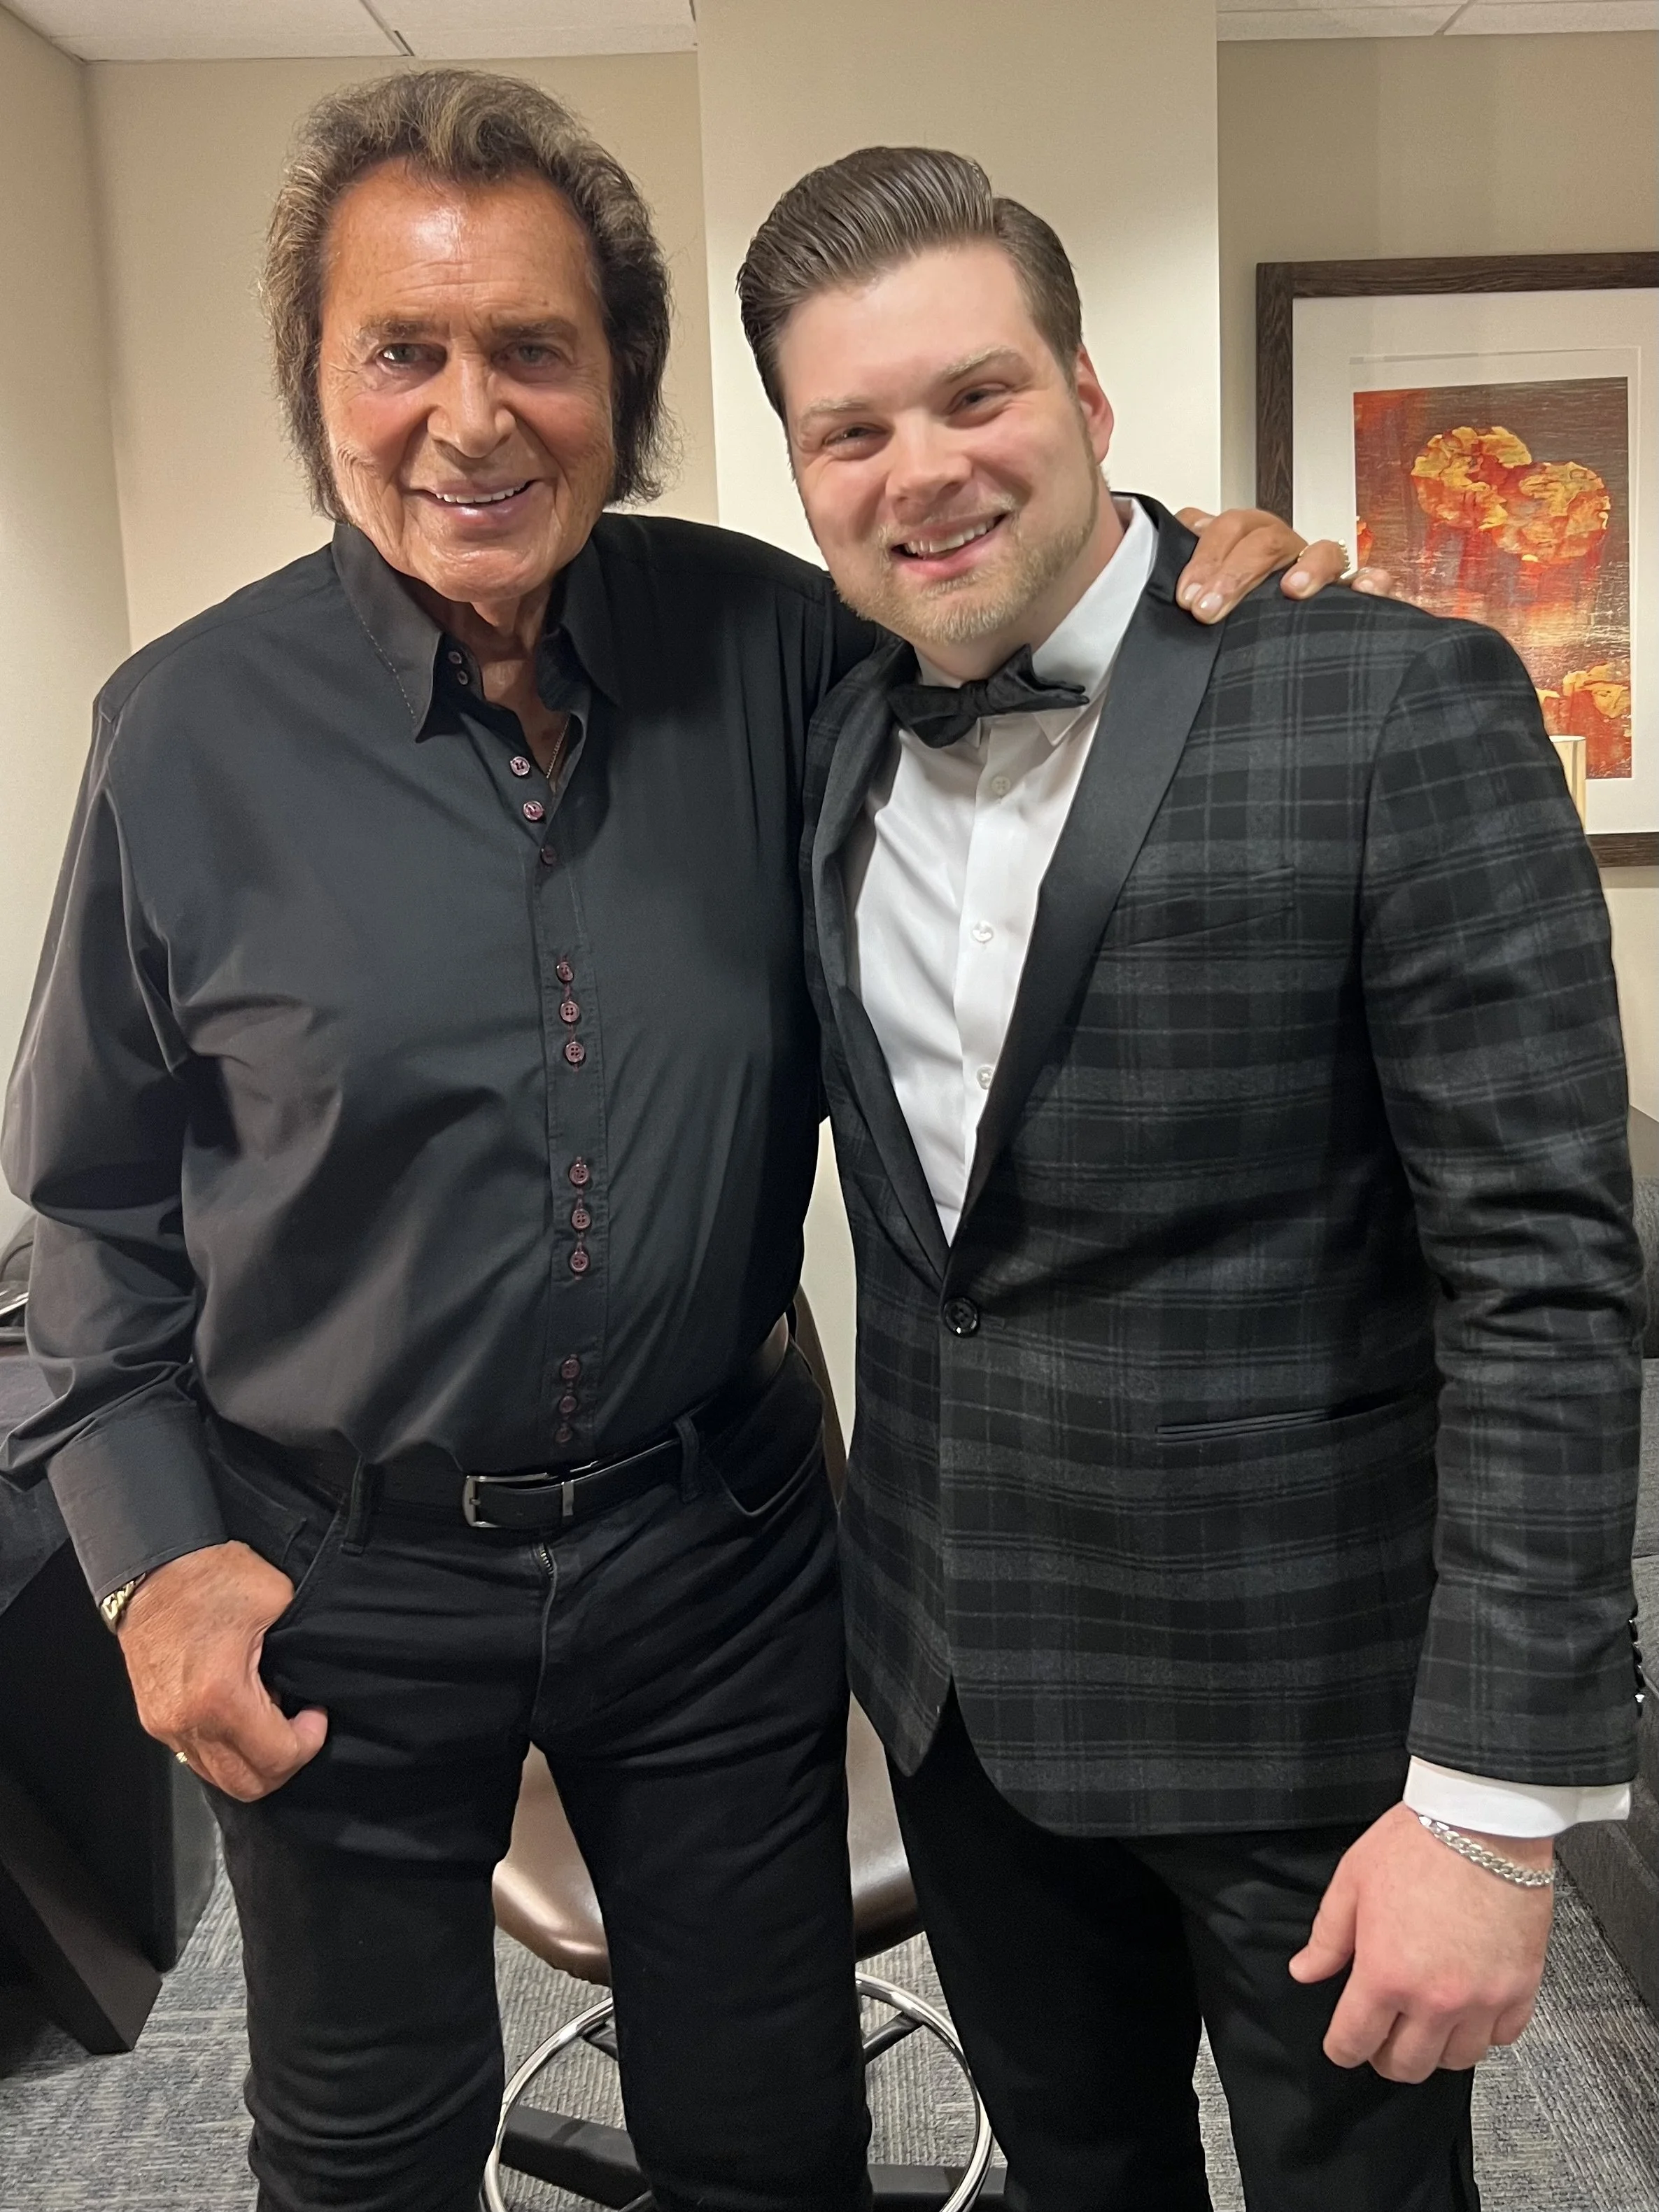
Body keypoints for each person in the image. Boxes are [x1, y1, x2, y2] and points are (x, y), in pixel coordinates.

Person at [0, 72, 1352, 2212]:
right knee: (357, 2160)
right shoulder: (182, 736)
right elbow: (83, 1203)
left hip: (713, 1552)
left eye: (537, 347)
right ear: (317, 384)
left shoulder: (779, 643)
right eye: (403, 350)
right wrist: (154, 1553)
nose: (473, 415)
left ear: (620, 383)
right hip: (336, 1568)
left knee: (776, 2144)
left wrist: (1223, 585)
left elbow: (1023, 616)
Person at [736, 146, 1644, 2212]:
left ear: (1088, 396)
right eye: (850, 431)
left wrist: (1496, 1815)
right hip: (959, 1688)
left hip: (1306, 1719)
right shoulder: (837, 740)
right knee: (1078, 2174)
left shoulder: (1397, 699)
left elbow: (1548, 1283)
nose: (925, 471)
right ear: (802, 474)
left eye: (979, 396)